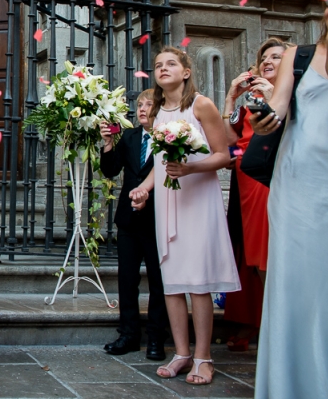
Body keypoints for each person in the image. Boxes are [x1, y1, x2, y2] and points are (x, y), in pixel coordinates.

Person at [251, 0, 328, 399]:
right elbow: (281, 106)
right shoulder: (295, 54)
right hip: (297, 180)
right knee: (294, 285)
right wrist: (264, 117)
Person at [129, 46, 239, 386]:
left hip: (197, 199)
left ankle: (204, 357)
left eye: (171, 63)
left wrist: (189, 168)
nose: (163, 69)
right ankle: (181, 353)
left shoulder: (200, 105)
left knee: (198, 281)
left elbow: (225, 155)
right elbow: (161, 164)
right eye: (158, 65)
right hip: (168, 202)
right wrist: (144, 188)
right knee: (172, 281)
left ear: (186, 72)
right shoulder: (159, 113)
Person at [220, 38, 289, 350]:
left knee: (273, 253)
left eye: (276, 57)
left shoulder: (294, 95)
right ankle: (266, 324)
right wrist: (229, 102)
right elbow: (229, 146)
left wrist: (274, 96)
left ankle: (282, 326)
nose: (268, 61)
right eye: (264, 58)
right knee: (254, 256)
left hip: (275, 177)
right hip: (246, 182)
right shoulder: (247, 103)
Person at [99, 89, 168, 361]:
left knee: (158, 281)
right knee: (127, 279)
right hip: (128, 219)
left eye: (148, 104)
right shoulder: (128, 137)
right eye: (139, 105)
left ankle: (156, 338)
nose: (142, 109)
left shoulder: (168, 138)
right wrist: (107, 143)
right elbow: (110, 170)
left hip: (157, 217)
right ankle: (128, 334)